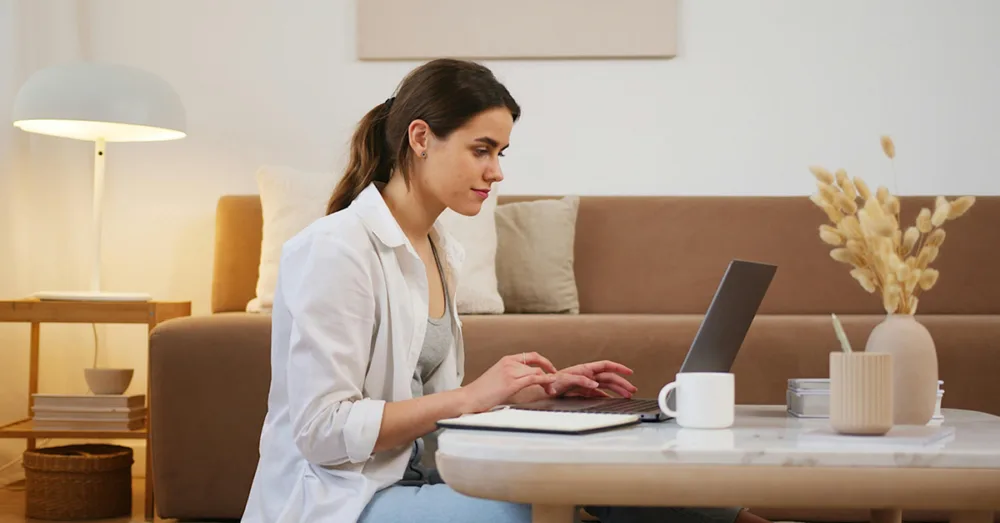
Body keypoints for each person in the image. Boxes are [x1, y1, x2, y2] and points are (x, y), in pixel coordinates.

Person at [240, 58, 773, 523]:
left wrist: (530, 391)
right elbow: (321, 429)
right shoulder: (336, 250)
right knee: (550, 502)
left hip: (423, 474)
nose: (496, 172)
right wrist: (473, 396)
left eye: (501, 152)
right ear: (421, 138)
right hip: (345, 502)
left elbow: (419, 400)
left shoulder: (439, 248)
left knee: (606, 472)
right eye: (482, 150)